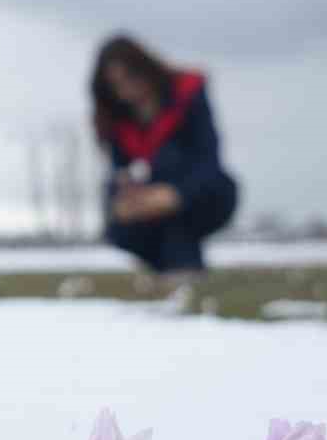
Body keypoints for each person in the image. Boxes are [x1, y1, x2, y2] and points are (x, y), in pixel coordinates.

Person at [91, 34, 239, 273]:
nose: (126, 90)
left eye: (130, 77)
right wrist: (124, 199)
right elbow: (120, 172)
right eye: (116, 85)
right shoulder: (118, 122)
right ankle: (168, 274)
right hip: (147, 203)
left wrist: (174, 194)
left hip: (202, 194)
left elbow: (209, 160)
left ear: (145, 67)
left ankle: (181, 272)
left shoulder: (186, 95)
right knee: (118, 219)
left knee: (173, 183)